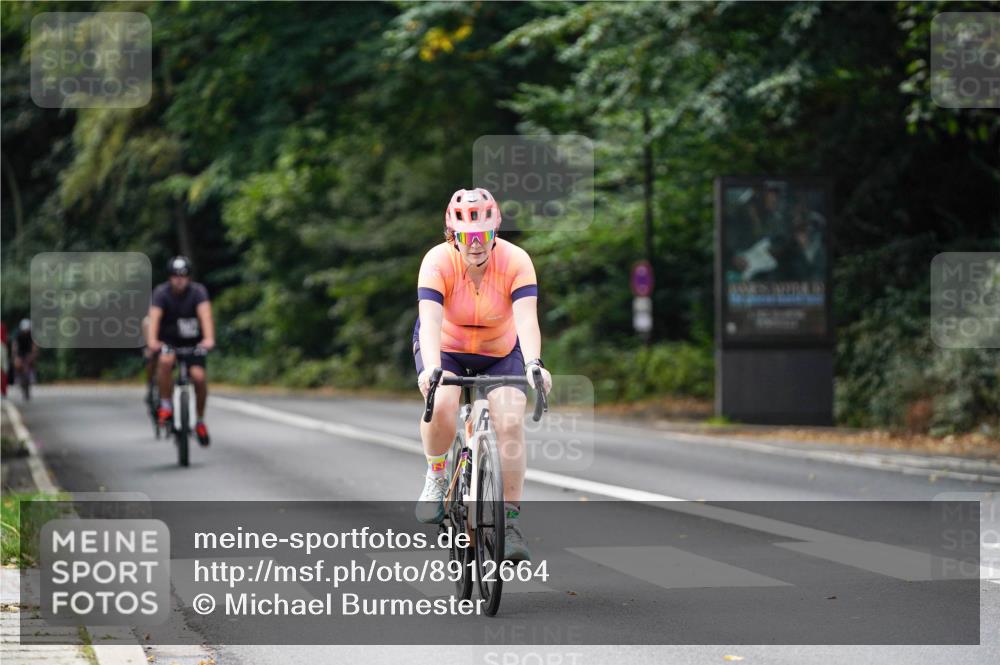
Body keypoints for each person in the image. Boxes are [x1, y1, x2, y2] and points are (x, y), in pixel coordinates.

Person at [414, 188, 552, 562]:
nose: (476, 245)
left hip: (500, 351)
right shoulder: (437, 262)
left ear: (496, 232)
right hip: (446, 349)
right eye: (467, 237)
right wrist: (431, 368)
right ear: (452, 235)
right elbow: (429, 323)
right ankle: (437, 474)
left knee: (509, 421)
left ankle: (509, 521)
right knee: (442, 401)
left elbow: (526, 319)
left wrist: (534, 363)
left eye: (484, 236)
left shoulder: (516, 261)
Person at [147, 256, 215, 446]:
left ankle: (200, 420)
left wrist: (208, 339)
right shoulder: (161, 293)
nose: (179, 279)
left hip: (193, 344)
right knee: (165, 361)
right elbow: (154, 318)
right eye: (175, 276)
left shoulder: (198, 292)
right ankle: (166, 404)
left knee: (199, 378)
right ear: (169, 277)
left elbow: (205, 315)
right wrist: (152, 340)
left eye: (183, 276)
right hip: (168, 342)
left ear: (189, 277)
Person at [12, 319, 38, 398]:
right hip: (19, 352)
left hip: (28, 352)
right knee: (17, 365)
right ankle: (17, 378)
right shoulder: (17, 334)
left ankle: (32, 376)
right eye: (24, 330)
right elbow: (14, 346)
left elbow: (34, 346)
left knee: (32, 362)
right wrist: (15, 357)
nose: (26, 331)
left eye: (27, 330)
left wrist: (33, 355)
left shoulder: (31, 335)